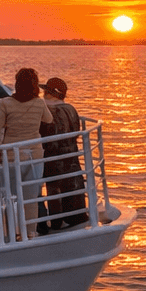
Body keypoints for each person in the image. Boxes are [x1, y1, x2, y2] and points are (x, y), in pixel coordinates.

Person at [0, 67, 53, 239]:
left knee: (10, 197)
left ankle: (12, 232)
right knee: (31, 197)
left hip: (11, 154)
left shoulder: (4, 103)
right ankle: (30, 232)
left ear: (17, 83)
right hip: (34, 154)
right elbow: (48, 119)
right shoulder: (39, 103)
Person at [39, 76, 88, 231]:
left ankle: (56, 221)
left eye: (45, 91)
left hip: (53, 157)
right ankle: (76, 216)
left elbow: (45, 135)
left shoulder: (46, 110)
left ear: (50, 93)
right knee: (73, 185)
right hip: (71, 155)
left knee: (54, 189)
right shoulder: (71, 109)